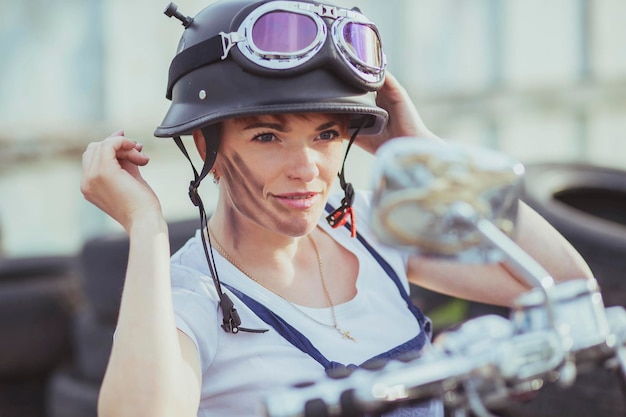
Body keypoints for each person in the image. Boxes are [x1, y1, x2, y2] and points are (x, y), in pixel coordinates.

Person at [80, 1, 593, 416]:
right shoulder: (190, 296)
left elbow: (566, 289)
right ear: (204, 147)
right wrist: (144, 229)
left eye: (326, 134)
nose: (306, 168)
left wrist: (421, 150)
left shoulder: (370, 227)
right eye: (267, 136)